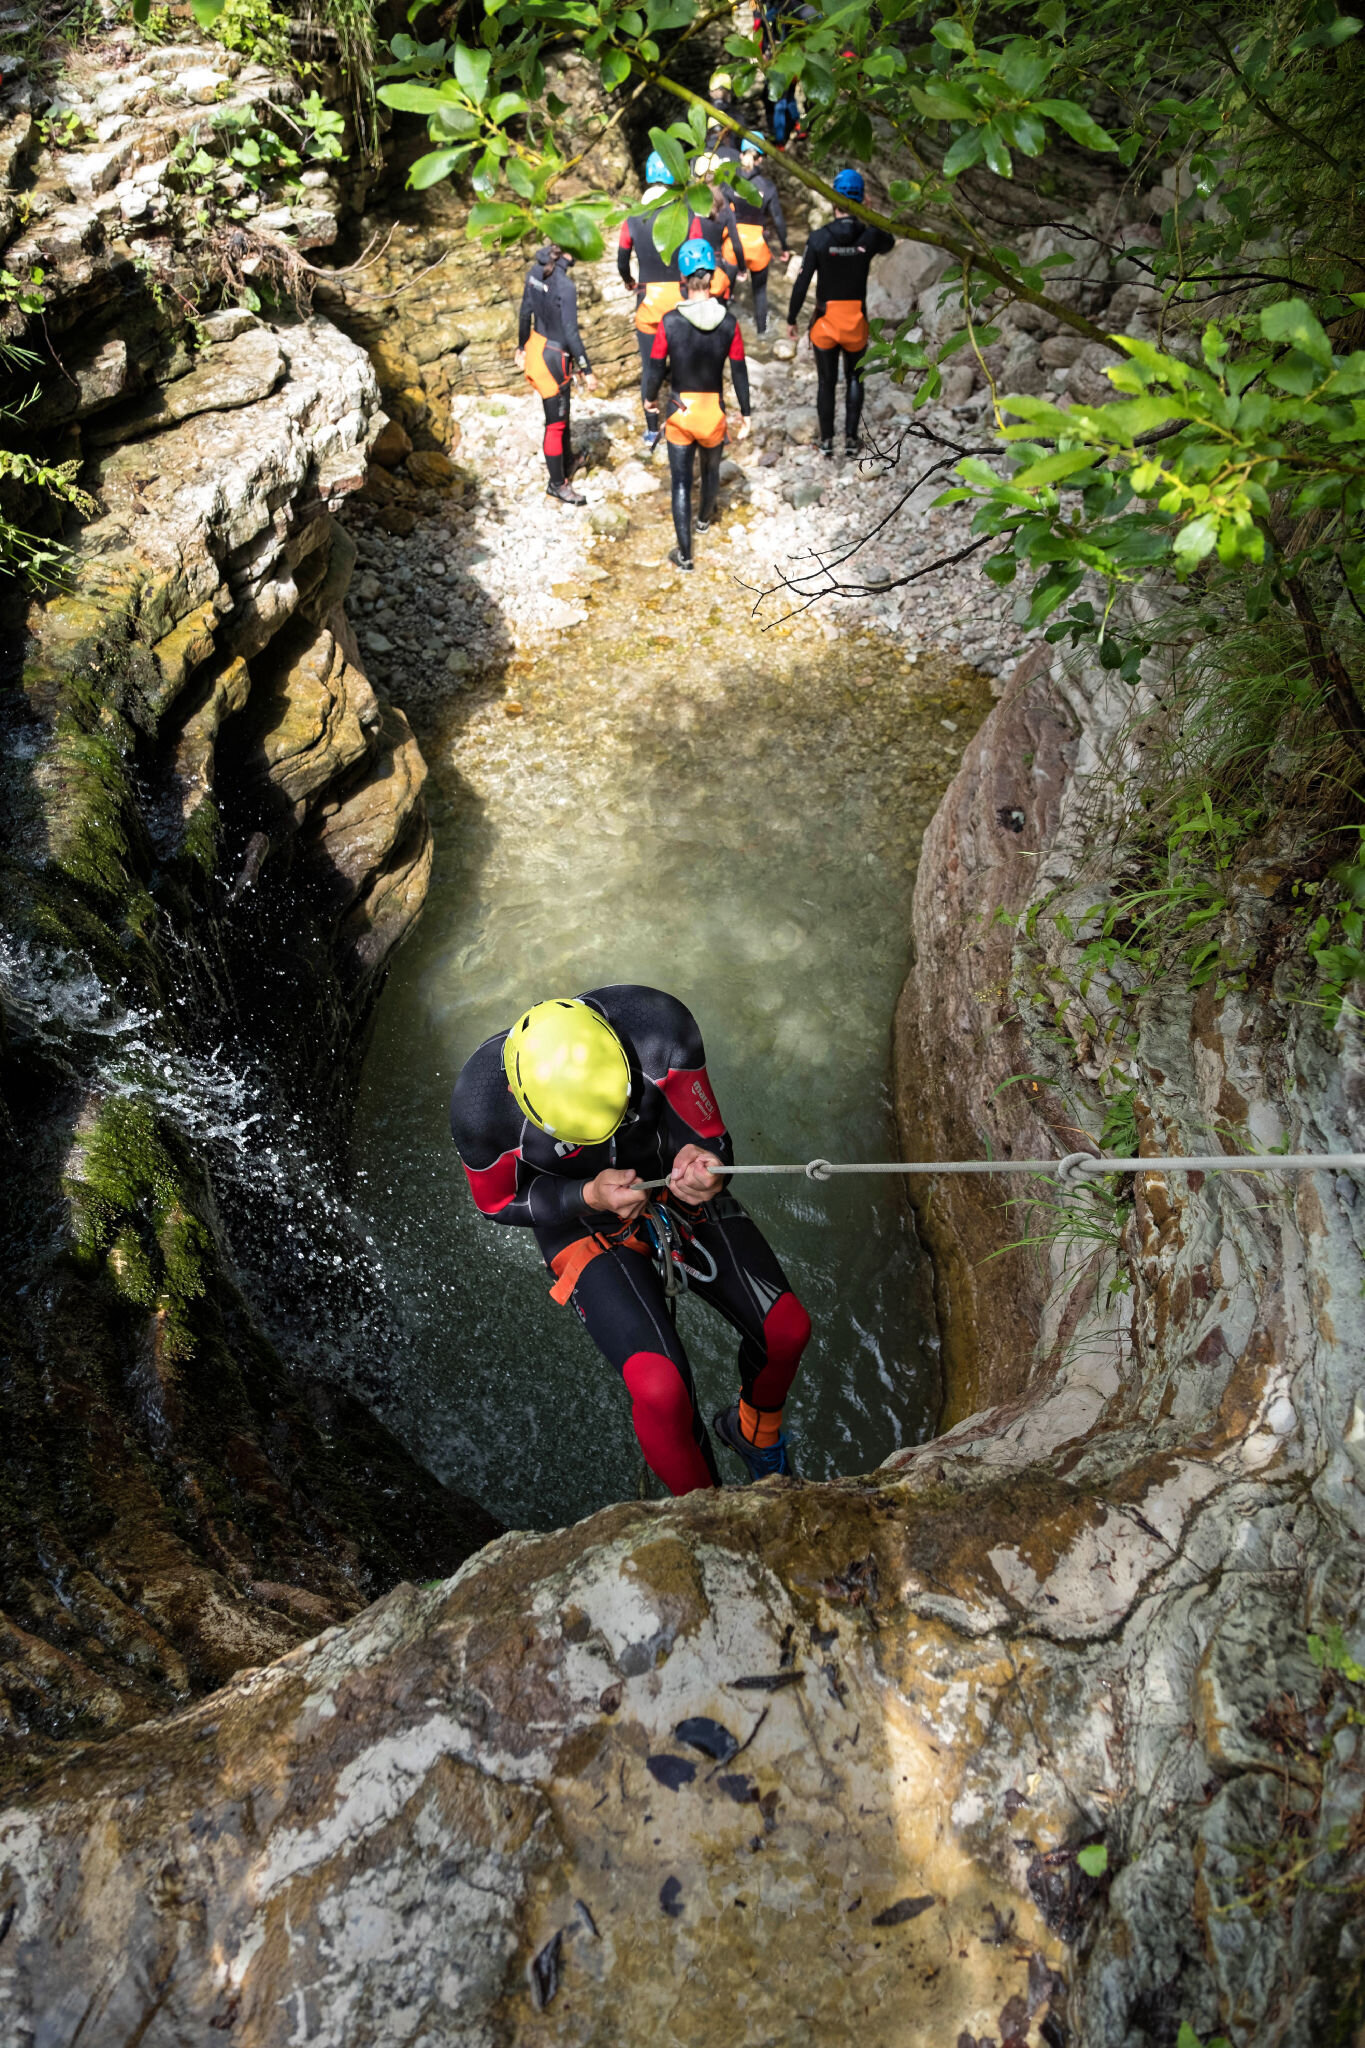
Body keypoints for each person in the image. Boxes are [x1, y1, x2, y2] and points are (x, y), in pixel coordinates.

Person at [449, 988, 811, 1493]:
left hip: (669, 1179)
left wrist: (706, 1165)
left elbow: (709, 1135)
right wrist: (586, 1194)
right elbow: (495, 1203)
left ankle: (753, 1432)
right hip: (578, 1220)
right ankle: (707, 1513)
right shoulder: (480, 1104)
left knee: (786, 1329)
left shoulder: (659, 1028)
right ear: (521, 1101)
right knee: (659, 1388)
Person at [642, 237, 752, 572]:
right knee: (710, 470)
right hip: (712, 413)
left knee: (679, 483)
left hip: (680, 412)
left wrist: (648, 399)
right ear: (713, 277)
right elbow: (739, 370)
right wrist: (746, 413)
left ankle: (686, 556)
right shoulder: (729, 323)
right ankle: (704, 520)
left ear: (683, 279)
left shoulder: (670, 323)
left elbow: (656, 367)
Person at [786, 166, 894, 459]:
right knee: (856, 379)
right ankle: (850, 440)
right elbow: (890, 242)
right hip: (855, 322)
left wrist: (791, 318)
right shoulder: (869, 236)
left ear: (833, 198)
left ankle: (826, 442)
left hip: (825, 324)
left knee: (826, 383)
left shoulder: (819, 238)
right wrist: (870, 214)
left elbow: (802, 282)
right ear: (861, 200)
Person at [516, 244, 597, 506]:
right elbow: (571, 332)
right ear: (567, 253)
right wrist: (586, 368)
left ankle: (568, 460)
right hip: (554, 358)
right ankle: (557, 484)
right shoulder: (565, 286)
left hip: (536, 348)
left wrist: (521, 346)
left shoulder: (535, 271)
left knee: (561, 412)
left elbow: (525, 312)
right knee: (555, 423)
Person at [617, 150, 685, 454]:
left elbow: (621, 260)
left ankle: (650, 429)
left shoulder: (632, 217)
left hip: (648, 297)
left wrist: (630, 282)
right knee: (682, 363)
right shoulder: (683, 213)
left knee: (649, 365)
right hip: (680, 298)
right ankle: (682, 420)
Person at [722, 136, 791, 337]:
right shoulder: (767, 186)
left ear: (741, 155)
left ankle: (724, 333)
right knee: (760, 293)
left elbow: (721, 213)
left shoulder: (729, 181)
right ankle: (762, 333)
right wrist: (785, 247)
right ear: (760, 159)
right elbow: (778, 219)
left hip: (733, 245)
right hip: (758, 245)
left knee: (726, 291)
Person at [687, 166, 745, 301]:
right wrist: (742, 268)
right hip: (716, 265)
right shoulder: (724, 206)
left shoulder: (690, 203)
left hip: (692, 266)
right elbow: (736, 241)